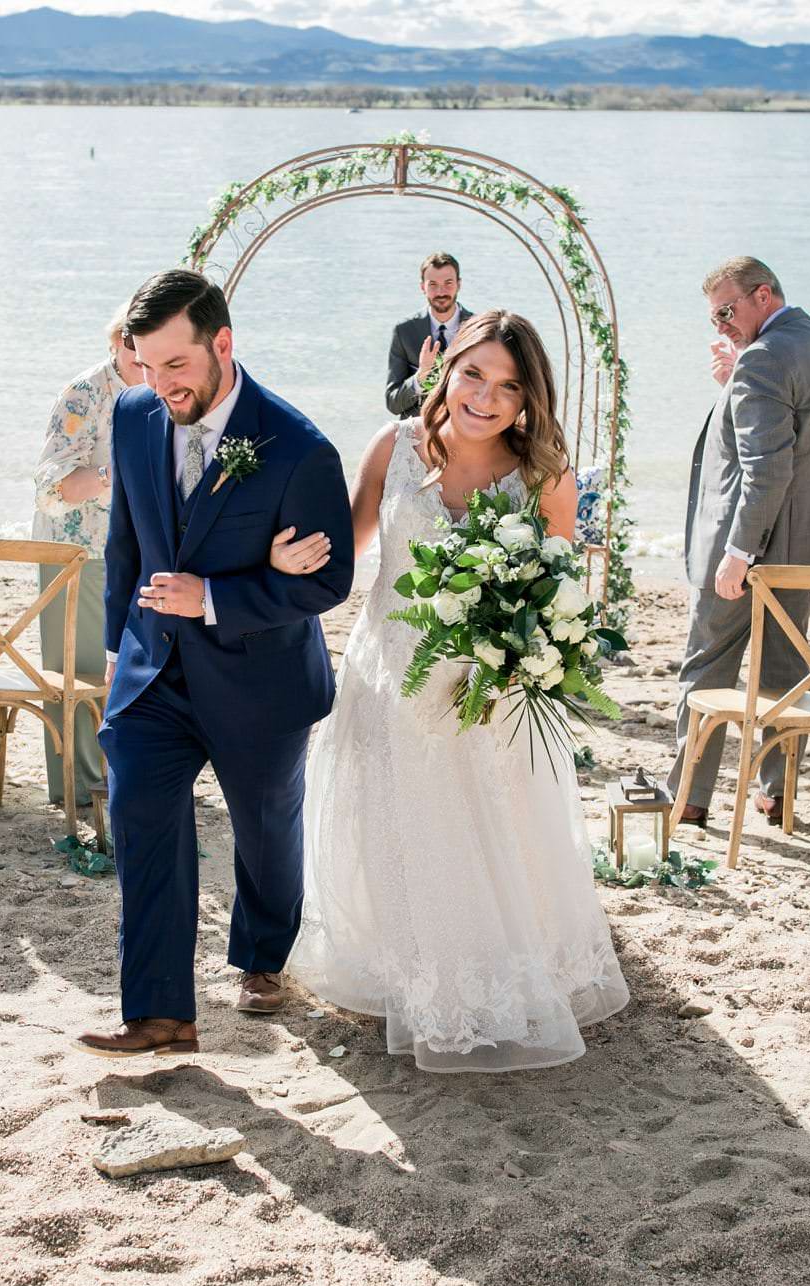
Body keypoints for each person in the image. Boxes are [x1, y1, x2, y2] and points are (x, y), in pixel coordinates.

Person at [269, 311, 629, 1072]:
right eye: (474, 374)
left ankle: (486, 971)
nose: (486, 397)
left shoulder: (543, 475)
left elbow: (560, 589)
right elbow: (346, 547)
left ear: (529, 397)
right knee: (396, 827)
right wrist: (287, 554)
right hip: (388, 677)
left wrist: (526, 651)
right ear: (444, 369)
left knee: (489, 830)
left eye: (508, 386)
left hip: (485, 691)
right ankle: (408, 965)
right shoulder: (393, 447)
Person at [77, 270, 354, 1058]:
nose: (160, 384)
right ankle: (161, 1012)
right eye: (146, 365)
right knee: (139, 813)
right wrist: (112, 653)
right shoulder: (132, 417)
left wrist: (213, 596)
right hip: (152, 671)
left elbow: (330, 582)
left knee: (265, 831)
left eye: (176, 366)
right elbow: (125, 543)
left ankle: (263, 957)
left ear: (222, 344)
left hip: (259, 679)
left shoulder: (299, 448)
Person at [672, 257, 810, 828]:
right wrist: (738, 382)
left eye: (727, 312)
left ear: (763, 295)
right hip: (802, 551)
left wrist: (738, 553)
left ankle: (689, 795)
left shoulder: (764, 358)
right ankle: (776, 794)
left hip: (750, 550)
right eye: (712, 318)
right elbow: (804, 443)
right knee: (784, 675)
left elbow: (767, 470)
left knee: (705, 669)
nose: (721, 326)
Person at [29, 306, 144, 808]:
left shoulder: (164, 388)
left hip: (134, 549)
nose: (142, 356)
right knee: (79, 667)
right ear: (116, 341)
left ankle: (123, 771)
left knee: (129, 665)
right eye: (133, 344)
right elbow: (52, 485)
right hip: (75, 548)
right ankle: (77, 783)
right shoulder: (85, 393)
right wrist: (110, 477)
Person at [385, 251, 470, 418]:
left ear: (459, 284)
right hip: (419, 432)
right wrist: (421, 377)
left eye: (448, 283)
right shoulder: (404, 331)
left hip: (466, 430)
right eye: (433, 284)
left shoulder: (479, 328)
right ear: (422, 287)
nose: (441, 292)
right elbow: (393, 403)